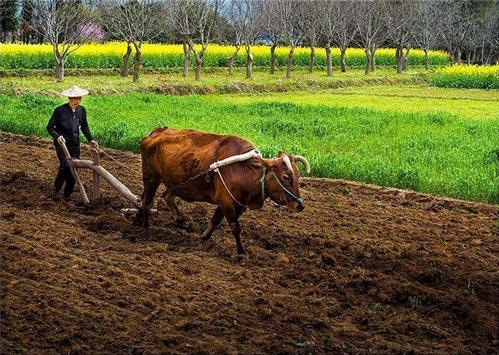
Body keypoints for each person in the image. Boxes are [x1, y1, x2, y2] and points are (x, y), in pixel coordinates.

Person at [46, 85, 98, 201]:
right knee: (65, 166)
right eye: (75, 99)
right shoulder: (60, 110)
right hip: (62, 144)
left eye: (79, 98)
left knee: (74, 168)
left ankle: (67, 194)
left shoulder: (82, 110)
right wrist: (57, 136)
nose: (77, 101)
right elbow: (50, 127)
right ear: (69, 98)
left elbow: (84, 127)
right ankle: (56, 190)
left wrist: (90, 139)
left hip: (75, 144)